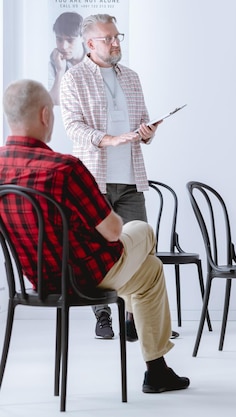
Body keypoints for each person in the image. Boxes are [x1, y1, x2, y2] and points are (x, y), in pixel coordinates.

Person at [1, 79, 190, 394]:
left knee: (150, 270)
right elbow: (114, 232)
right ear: (46, 115)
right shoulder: (65, 168)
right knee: (140, 230)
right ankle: (148, 353)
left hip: (37, 281)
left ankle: (157, 369)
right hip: (86, 277)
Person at [59, 14, 164, 341]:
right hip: (94, 181)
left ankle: (134, 320)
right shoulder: (73, 78)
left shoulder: (131, 77)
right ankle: (103, 316)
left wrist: (147, 133)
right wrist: (109, 139)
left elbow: (143, 121)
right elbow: (73, 126)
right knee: (96, 251)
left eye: (118, 36)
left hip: (132, 179)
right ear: (91, 44)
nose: (116, 42)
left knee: (142, 248)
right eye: (109, 38)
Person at [48, 12, 87, 106]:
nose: (64, 47)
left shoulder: (98, 62)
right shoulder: (52, 65)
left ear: (83, 37)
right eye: (59, 39)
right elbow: (54, 105)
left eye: (70, 40)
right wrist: (60, 71)